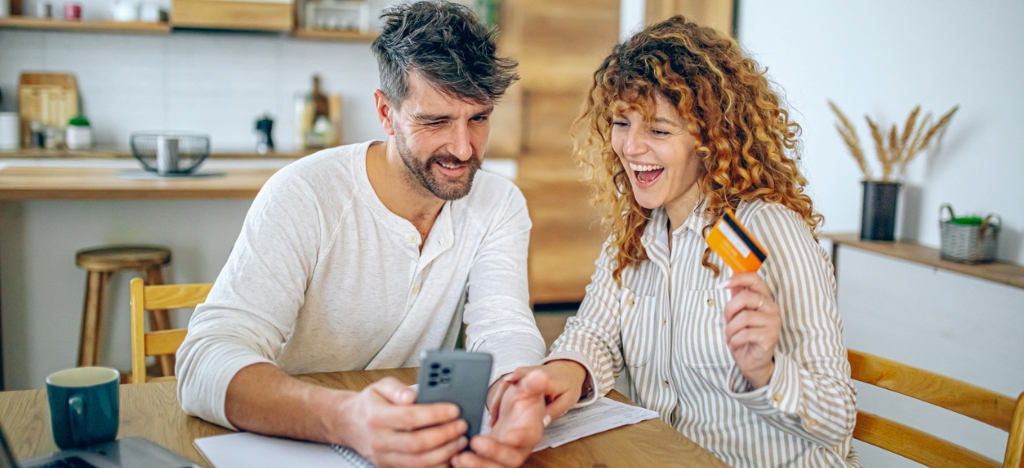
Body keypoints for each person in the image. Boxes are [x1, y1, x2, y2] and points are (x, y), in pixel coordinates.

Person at [175, 3, 549, 467]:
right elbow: (203, 361)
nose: (463, 148)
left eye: (478, 118)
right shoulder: (305, 194)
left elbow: (505, 327)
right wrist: (346, 418)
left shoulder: (499, 204)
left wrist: (517, 394)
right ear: (385, 112)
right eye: (435, 121)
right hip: (295, 442)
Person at [498, 16, 859, 468]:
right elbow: (595, 333)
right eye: (622, 122)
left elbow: (838, 419)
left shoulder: (772, 230)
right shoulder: (639, 231)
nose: (630, 147)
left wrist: (765, 373)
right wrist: (563, 372)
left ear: (711, 139)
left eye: (659, 130)